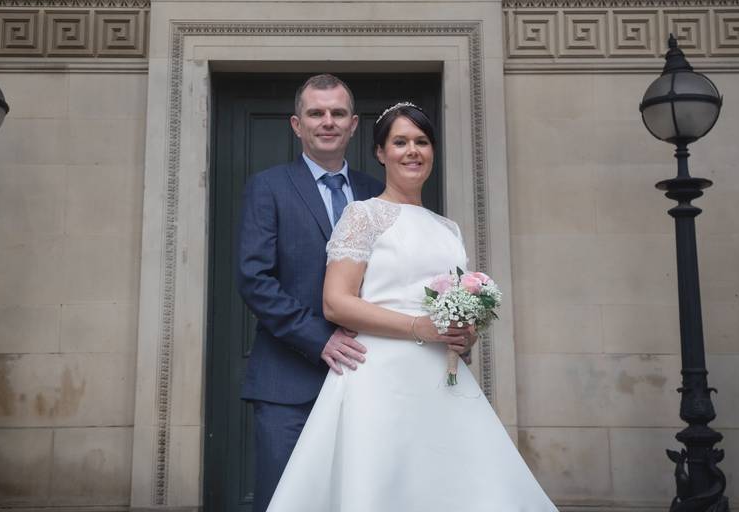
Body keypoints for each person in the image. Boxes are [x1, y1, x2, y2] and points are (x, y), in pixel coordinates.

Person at [265, 102, 559, 512]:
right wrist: (420, 328)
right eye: (400, 142)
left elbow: (451, 305)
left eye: (421, 142)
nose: (412, 151)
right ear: (382, 153)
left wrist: (464, 331)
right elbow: (336, 302)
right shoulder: (363, 216)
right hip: (378, 378)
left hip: (442, 378)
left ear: (433, 152)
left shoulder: (447, 228)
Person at [237, 74, 387, 512]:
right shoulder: (267, 187)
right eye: (316, 113)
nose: (328, 122)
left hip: (367, 379)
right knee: (287, 502)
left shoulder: (377, 194)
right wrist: (318, 339)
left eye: (338, 113)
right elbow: (254, 279)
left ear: (354, 124)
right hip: (287, 383)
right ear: (296, 124)